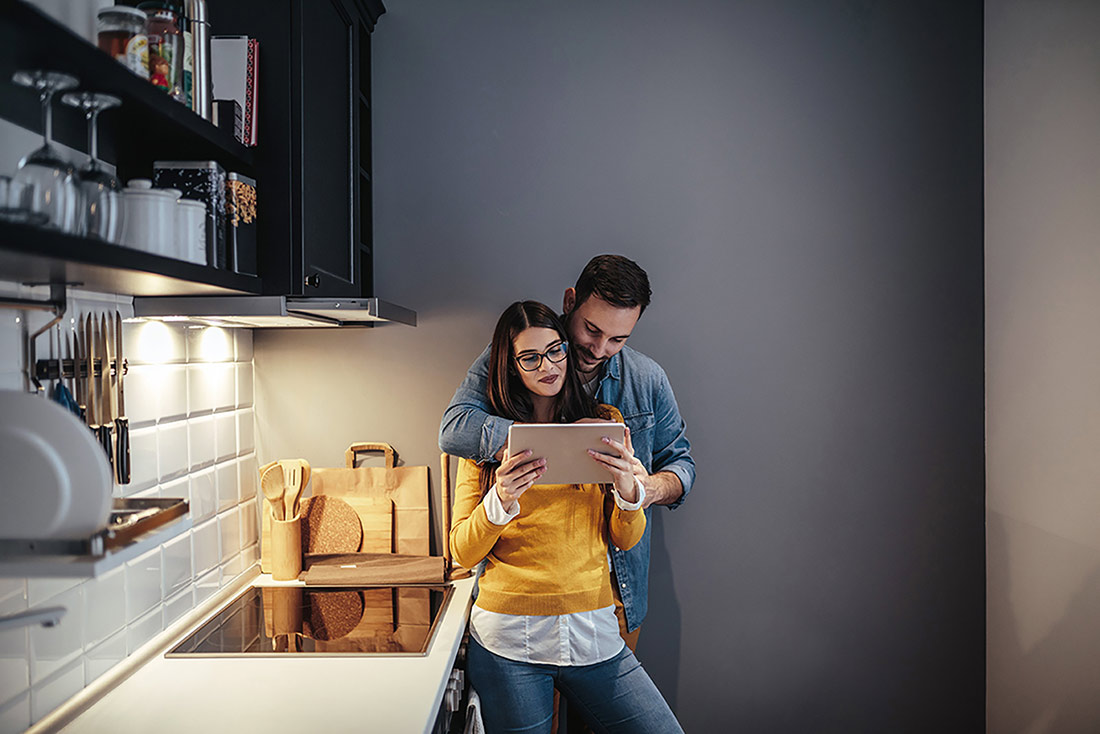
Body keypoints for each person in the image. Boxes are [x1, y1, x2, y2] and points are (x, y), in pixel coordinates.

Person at [449, 300, 683, 734]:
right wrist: (500, 498)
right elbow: (461, 550)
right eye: (530, 357)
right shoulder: (486, 446)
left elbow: (625, 539)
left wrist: (631, 493)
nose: (548, 365)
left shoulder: (603, 423)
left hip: (593, 632)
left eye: (556, 350)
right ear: (511, 365)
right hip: (508, 642)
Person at [440, 254, 695, 648]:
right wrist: (550, 439)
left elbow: (680, 465)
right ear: (569, 301)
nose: (599, 348)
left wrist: (642, 489)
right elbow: (454, 428)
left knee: (599, 712)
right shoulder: (520, 350)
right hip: (519, 607)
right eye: (591, 330)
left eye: (618, 339)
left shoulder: (646, 380)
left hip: (617, 594)